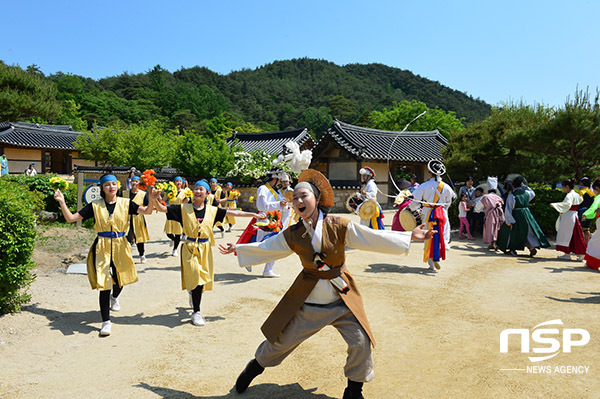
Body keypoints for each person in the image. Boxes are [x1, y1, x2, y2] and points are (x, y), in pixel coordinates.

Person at [218, 169, 434, 399]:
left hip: (342, 300)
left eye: (304, 196)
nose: (299, 201)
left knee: (361, 342)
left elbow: (370, 237)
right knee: (279, 344)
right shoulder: (292, 234)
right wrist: (238, 249)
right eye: (295, 198)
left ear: (318, 199)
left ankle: (353, 391)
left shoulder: (340, 225)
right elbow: (268, 248)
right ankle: (254, 367)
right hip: (309, 303)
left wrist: (409, 237)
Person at [54, 174, 159, 336]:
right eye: (107, 185)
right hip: (102, 245)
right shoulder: (95, 205)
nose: (112, 187)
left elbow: (147, 212)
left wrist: (152, 199)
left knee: (121, 280)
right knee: (104, 284)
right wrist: (62, 202)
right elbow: (71, 218)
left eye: (114, 184)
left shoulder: (125, 203)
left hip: (121, 244)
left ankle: (114, 297)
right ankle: (106, 322)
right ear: (102, 188)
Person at [155, 179, 265, 326]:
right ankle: (197, 312)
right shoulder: (183, 209)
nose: (198, 191)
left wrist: (254, 215)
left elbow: (233, 212)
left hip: (204, 248)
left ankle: (194, 297)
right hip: (189, 248)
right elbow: (163, 209)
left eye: (202, 189)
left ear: (207, 193)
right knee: (195, 276)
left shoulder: (213, 211)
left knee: (200, 280)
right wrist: (154, 198)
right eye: (196, 189)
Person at [409, 160, 456, 271]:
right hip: (442, 213)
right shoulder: (447, 187)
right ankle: (441, 251)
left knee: (428, 235)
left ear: (430, 173)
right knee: (442, 234)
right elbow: (449, 202)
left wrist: (412, 208)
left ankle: (431, 262)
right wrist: (443, 210)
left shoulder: (424, 186)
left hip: (428, 212)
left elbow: (415, 201)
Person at [497, 175, 550, 257]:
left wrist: (509, 220)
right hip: (527, 214)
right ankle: (531, 248)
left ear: (513, 186)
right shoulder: (527, 194)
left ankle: (513, 249)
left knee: (515, 233)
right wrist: (524, 186)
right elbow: (533, 193)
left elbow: (508, 209)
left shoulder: (512, 196)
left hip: (517, 215)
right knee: (528, 232)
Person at [253, 169, 287, 277]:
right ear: (275, 179)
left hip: (275, 219)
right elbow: (262, 206)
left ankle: (268, 269)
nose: (281, 182)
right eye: (279, 180)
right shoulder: (263, 189)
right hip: (265, 219)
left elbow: (281, 203)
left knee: (274, 245)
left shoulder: (275, 191)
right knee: (260, 244)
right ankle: (248, 259)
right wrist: (278, 204)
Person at [550, 178, 587, 261]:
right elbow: (581, 200)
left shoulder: (569, 195)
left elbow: (567, 205)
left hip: (569, 216)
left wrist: (555, 205)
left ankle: (579, 253)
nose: (563, 189)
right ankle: (569, 253)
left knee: (572, 235)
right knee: (574, 235)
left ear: (567, 186)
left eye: (563, 187)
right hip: (573, 215)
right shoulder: (576, 194)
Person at [474, 178, 505, 250]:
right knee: (498, 228)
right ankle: (497, 243)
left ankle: (492, 243)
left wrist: (478, 210)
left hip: (490, 214)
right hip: (499, 214)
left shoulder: (485, 197)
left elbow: (477, 208)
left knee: (491, 229)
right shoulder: (498, 197)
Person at [126, 175, 150, 264]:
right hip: (127, 219)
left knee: (139, 238)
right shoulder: (126, 193)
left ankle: (142, 254)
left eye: (136, 181)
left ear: (139, 183)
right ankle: (127, 256)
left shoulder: (143, 194)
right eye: (133, 181)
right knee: (127, 238)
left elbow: (147, 205)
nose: (134, 183)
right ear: (130, 182)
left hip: (138, 218)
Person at [164, 176, 188, 257]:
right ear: (174, 183)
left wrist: (187, 200)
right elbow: (163, 200)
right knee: (168, 232)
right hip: (170, 211)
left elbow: (187, 202)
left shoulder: (185, 192)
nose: (178, 183)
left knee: (178, 233)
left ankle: (175, 249)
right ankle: (173, 239)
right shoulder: (171, 191)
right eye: (176, 181)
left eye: (180, 181)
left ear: (182, 183)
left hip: (179, 212)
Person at [582, 179, 600, 270]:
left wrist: (586, 214)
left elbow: (593, 208)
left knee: (595, 242)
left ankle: (593, 262)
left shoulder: (599, 197)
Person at [578, 177, 595, 242]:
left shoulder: (581, 191)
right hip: (590, 212)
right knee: (587, 229)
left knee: (580, 229)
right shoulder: (591, 192)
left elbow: (579, 201)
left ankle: (581, 245)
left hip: (582, 212)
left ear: (583, 183)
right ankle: (587, 244)